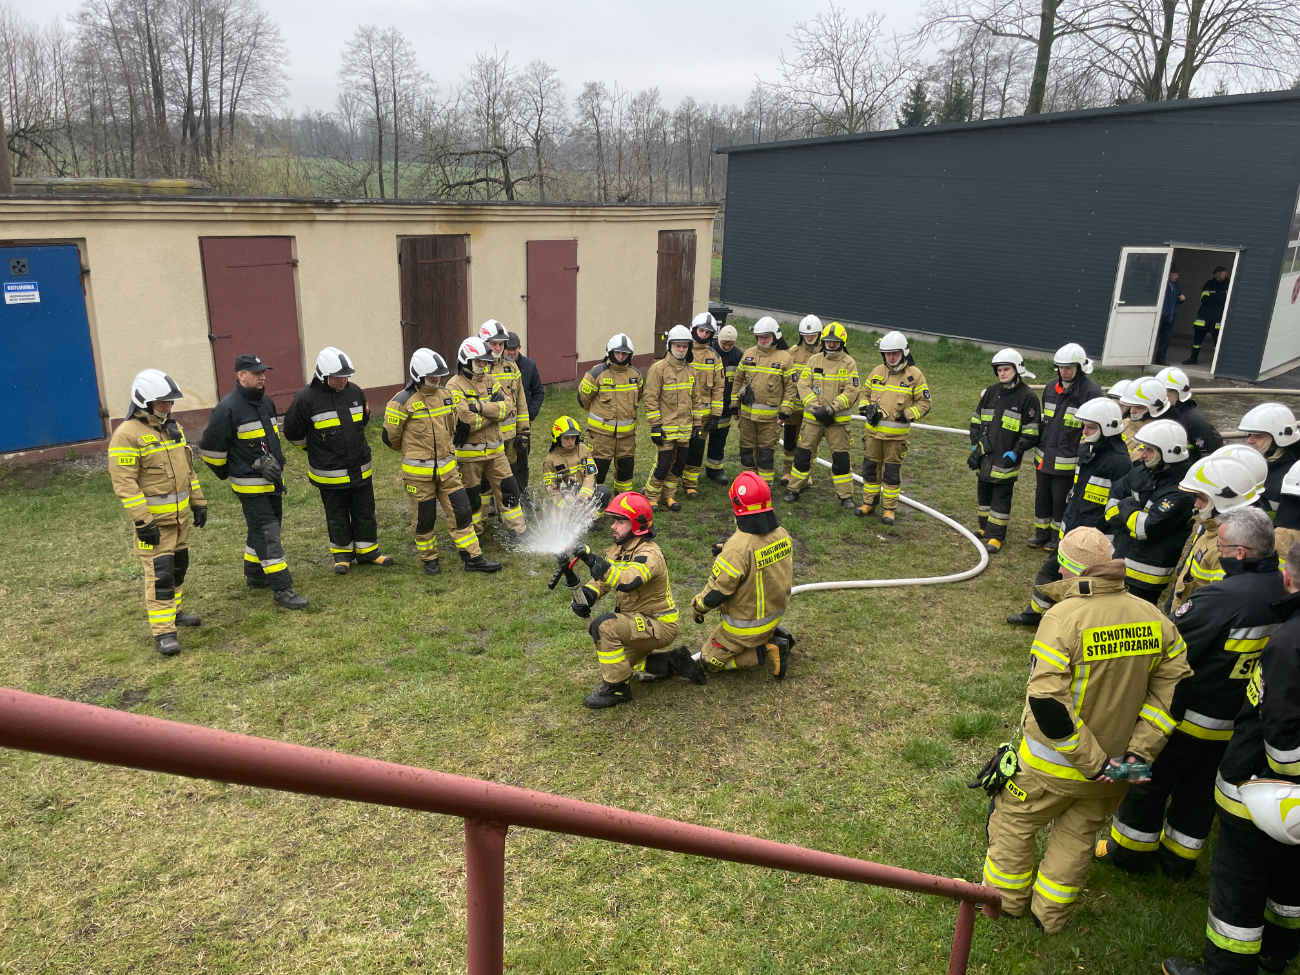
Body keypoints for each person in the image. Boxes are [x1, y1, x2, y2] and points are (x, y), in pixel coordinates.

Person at [981, 526, 1190, 934]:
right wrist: (1137, 755)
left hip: (1051, 767)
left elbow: (1047, 703)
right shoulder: (1154, 618)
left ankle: (1005, 903)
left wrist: (1091, 762)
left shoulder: (1063, 618)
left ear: (1065, 568)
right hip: (1115, 772)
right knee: (1077, 840)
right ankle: (1050, 917)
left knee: (1012, 826)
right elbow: (1175, 690)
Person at [1097, 507, 1284, 882]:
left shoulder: (1219, 599)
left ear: (1241, 553)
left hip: (1189, 717)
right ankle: (1179, 860)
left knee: (1151, 782)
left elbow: (1173, 654)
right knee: (1200, 793)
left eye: (1223, 544)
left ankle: (1130, 852)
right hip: (1239, 723)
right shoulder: (1284, 591)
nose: (1219, 548)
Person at [1161, 538, 1300, 975]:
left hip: (1264, 789)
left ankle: (1224, 968)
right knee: (1291, 878)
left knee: (1240, 881)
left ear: (1290, 576)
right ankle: (1279, 950)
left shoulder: (1288, 647)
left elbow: (1281, 741)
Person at [565, 492, 702, 708]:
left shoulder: (649, 554)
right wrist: (588, 595)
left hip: (660, 626)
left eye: (620, 521)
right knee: (619, 666)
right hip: (638, 622)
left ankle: (617, 690)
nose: (613, 526)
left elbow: (627, 581)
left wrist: (592, 559)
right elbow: (604, 581)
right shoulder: (619, 549)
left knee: (605, 627)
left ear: (637, 524)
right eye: (614, 520)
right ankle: (673, 661)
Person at [1008, 397, 1133, 626]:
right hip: (1074, 526)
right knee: (1053, 571)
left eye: (1090, 427)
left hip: (1095, 538)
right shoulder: (1087, 450)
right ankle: (1036, 613)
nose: (1084, 431)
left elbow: (1118, 507)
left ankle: (1064, 619)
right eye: (1084, 425)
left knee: (1083, 584)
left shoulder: (1120, 462)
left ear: (1107, 429)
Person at [199, 354, 308, 610]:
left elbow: (270, 440)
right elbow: (211, 452)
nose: (262, 376)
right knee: (269, 533)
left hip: (272, 482)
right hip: (249, 487)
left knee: (262, 529)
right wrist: (241, 468)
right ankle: (282, 588)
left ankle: (256, 574)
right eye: (256, 373)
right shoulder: (227, 408)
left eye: (263, 372)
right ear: (240, 375)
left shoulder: (266, 402)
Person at [109, 369, 207, 655]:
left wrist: (198, 502)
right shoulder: (126, 436)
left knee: (179, 567)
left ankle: (174, 613)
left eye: (171, 401)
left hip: (179, 521)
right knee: (159, 574)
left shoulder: (171, 429)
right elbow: (124, 483)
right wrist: (143, 522)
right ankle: (163, 631)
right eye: (163, 401)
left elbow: (188, 471)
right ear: (144, 401)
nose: (168, 406)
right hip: (153, 524)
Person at [382, 348, 501, 575]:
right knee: (425, 519)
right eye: (431, 376)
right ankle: (430, 559)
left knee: (462, 513)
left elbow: (453, 426)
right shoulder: (401, 402)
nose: (436, 379)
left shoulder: (447, 396)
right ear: (417, 374)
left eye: (439, 375)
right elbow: (391, 438)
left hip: (448, 472)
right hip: (419, 476)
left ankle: (473, 558)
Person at [283, 347, 394, 575]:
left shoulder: (355, 392)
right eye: (337, 377)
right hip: (329, 471)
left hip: (360, 468)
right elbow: (293, 433)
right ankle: (342, 555)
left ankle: (368, 552)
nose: (343, 380)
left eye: (346, 376)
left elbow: (361, 422)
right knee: (337, 514)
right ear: (323, 375)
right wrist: (316, 449)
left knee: (365, 510)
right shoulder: (305, 399)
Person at [690, 472, 795, 678]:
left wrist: (697, 607)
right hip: (775, 613)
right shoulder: (782, 534)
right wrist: (727, 548)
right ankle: (774, 634)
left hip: (746, 625)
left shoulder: (737, 551)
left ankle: (767, 649)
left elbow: (717, 593)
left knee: (709, 660)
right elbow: (758, 554)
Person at [1105, 418, 1197, 604]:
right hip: (1119, 560)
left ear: (1168, 453)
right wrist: (1133, 513)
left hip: (1146, 576)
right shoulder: (1141, 471)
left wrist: (1126, 505)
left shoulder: (1182, 491)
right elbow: (1109, 510)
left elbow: (1144, 529)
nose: (1142, 455)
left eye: (1149, 450)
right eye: (1143, 448)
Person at [445, 337, 526, 536]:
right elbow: (466, 420)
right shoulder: (454, 386)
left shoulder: (491, 381)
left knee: (509, 489)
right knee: (473, 497)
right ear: (466, 360)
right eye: (479, 361)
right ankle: (475, 533)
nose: (483, 365)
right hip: (469, 456)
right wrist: (493, 414)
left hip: (496, 452)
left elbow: (508, 407)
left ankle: (518, 531)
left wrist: (479, 407)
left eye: (485, 361)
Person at [1167, 451, 1267, 612]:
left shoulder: (1228, 548)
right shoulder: (1212, 530)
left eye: (1203, 498)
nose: (1196, 505)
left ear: (1225, 501)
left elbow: (1217, 607)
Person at [1030, 344, 1102, 550]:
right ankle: (1041, 533)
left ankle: (1057, 536)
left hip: (1069, 459)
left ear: (1079, 368)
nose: (1064, 372)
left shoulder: (1091, 392)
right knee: (1042, 495)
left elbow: (1093, 428)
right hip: (1045, 455)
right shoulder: (1052, 387)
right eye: (1060, 367)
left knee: (1060, 498)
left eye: (1068, 367)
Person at [968, 349, 1041, 554]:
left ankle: (996, 536)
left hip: (1006, 457)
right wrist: (976, 446)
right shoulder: (991, 391)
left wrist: (1016, 452)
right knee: (984, 493)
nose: (1002, 373)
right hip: (985, 455)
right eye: (999, 370)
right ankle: (984, 528)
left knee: (1001, 496)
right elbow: (975, 421)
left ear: (1017, 370)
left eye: (1006, 369)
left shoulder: (1028, 397)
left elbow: (1031, 432)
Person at [784, 322, 861, 511]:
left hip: (838, 422)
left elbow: (852, 391)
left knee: (841, 459)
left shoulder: (849, 363)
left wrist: (831, 409)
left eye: (835, 342)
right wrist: (817, 408)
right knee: (803, 456)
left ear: (842, 342)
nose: (831, 344)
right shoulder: (814, 360)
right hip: (812, 419)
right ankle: (794, 489)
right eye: (828, 341)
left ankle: (845, 496)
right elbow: (803, 386)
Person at [858, 330, 932, 525]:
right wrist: (866, 409)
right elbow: (864, 393)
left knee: (891, 474)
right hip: (872, 435)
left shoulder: (914, 376)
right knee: (870, 470)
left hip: (895, 439)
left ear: (903, 353)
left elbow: (925, 403)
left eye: (894, 353)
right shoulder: (876, 371)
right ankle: (869, 503)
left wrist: (907, 415)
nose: (891, 357)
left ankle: (889, 509)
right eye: (887, 354)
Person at [732, 317, 797, 487]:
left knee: (766, 453)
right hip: (747, 416)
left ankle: (764, 487)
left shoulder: (785, 358)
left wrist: (785, 411)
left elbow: (791, 388)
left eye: (766, 337)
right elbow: (738, 381)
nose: (762, 340)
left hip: (771, 419)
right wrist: (734, 405)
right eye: (760, 337)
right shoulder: (748, 354)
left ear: (775, 336)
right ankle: (748, 484)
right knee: (746, 450)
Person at [578, 333, 644, 495]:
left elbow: (640, 395)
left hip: (627, 437)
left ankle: (622, 504)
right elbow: (583, 399)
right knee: (597, 472)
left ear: (630, 355)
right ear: (610, 352)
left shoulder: (635, 375)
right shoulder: (596, 374)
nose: (621, 357)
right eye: (617, 353)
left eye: (625, 353)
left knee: (625, 474)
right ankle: (595, 510)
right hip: (601, 436)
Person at [642, 324, 696, 511]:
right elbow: (650, 398)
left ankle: (669, 496)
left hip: (685, 429)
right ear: (670, 346)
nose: (681, 350)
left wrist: (696, 425)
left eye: (684, 346)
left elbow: (695, 399)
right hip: (666, 429)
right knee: (663, 464)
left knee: (679, 464)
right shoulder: (658, 369)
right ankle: (651, 497)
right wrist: (655, 426)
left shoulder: (691, 370)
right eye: (677, 346)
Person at [479, 320, 530, 518]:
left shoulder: (512, 367)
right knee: (484, 478)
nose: (498, 348)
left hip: (510, 436)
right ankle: (481, 518)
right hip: (487, 436)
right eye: (493, 344)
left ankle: (507, 514)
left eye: (501, 344)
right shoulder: (478, 368)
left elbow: (521, 402)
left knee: (510, 477)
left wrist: (524, 430)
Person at [681, 312, 725, 499]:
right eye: (701, 330)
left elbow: (718, 388)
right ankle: (669, 483)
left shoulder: (714, 357)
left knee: (697, 450)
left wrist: (715, 415)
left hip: (704, 417)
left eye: (708, 332)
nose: (704, 335)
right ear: (694, 329)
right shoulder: (682, 350)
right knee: (676, 450)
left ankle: (691, 484)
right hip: (680, 414)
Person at [782, 314, 823, 486]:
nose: (809, 338)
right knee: (790, 441)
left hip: (812, 409)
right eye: (806, 335)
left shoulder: (824, 354)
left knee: (809, 444)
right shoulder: (792, 352)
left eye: (813, 335)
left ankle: (807, 474)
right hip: (793, 407)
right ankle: (787, 471)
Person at [1238, 403, 1300, 515]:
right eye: (1250, 435)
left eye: (1258, 436)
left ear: (1278, 440)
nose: (1249, 441)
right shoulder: (1260, 462)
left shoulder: (1294, 474)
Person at [504, 330, 544, 499]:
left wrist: (529, 415)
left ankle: (523, 496)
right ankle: (495, 498)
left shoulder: (529, 365)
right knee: (499, 463)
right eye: (509, 349)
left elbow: (538, 392)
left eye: (515, 348)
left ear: (520, 348)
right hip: (501, 427)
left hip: (522, 425)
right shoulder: (493, 367)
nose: (512, 352)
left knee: (522, 462)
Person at [704, 323, 744, 485]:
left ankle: (715, 470)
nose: (727, 347)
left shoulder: (737, 356)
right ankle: (688, 472)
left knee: (719, 441)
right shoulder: (708, 353)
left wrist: (736, 405)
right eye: (724, 343)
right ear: (718, 340)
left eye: (731, 344)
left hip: (726, 406)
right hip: (705, 407)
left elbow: (740, 381)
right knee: (696, 442)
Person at [1156, 367, 1223, 462]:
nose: (1162, 398)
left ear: (1180, 393)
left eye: (1167, 393)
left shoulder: (1195, 420)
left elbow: (1212, 453)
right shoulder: (1158, 413)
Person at [542, 415, 608, 509]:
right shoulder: (550, 459)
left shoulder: (583, 450)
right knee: (564, 519)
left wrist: (582, 497)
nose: (571, 442)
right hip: (565, 497)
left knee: (603, 493)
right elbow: (551, 488)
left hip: (583, 491)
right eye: (567, 438)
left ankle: (595, 520)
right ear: (558, 438)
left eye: (573, 438)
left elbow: (591, 474)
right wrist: (564, 505)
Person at [1121, 376, 1175, 465]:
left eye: (1139, 407)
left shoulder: (1159, 434)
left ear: (1154, 407)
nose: (1132, 411)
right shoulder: (1125, 423)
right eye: (1131, 406)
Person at [1183, 267, 1231, 366]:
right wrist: (1220, 296)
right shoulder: (1209, 283)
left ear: (1225, 273)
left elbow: (1228, 301)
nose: (1217, 275)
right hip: (1204, 316)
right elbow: (1204, 299)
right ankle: (1193, 358)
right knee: (1197, 341)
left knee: (1217, 342)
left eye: (1219, 273)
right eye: (1216, 273)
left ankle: (1217, 363)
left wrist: (1213, 296)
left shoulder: (1230, 284)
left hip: (1218, 317)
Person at [1154, 266, 1186, 367]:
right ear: (1169, 274)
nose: (1176, 277)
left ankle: (1160, 359)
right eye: (1175, 275)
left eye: (1177, 275)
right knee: (1154, 338)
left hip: (1170, 317)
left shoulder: (1176, 286)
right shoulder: (1162, 285)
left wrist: (1181, 299)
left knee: (1165, 340)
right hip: (1161, 316)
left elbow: (1174, 302)